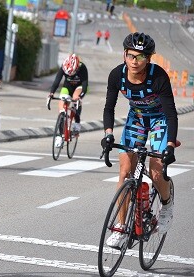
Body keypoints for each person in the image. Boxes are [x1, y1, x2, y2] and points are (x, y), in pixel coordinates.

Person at [102, 32, 178, 247]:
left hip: (159, 120)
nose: (135, 61)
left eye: (141, 57)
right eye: (131, 56)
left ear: (149, 59)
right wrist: (108, 134)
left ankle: (167, 204)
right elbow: (109, 107)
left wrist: (170, 146)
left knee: (156, 169)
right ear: (124, 54)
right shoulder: (117, 75)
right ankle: (120, 229)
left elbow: (171, 114)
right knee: (125, 172)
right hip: (136, 119)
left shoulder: (159, 77)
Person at [47, 53, 88, 147]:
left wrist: (80, 97)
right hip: (67, 86)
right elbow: (57, 81)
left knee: (75, 98)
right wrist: (51, 93)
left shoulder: (82, 67)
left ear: (77, 68)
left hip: (79, 86)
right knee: (62, 105)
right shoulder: (63, 67)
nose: (70, 75)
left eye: (72, 73)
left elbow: (85, 85)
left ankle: (77, 123)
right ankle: (60, 134)